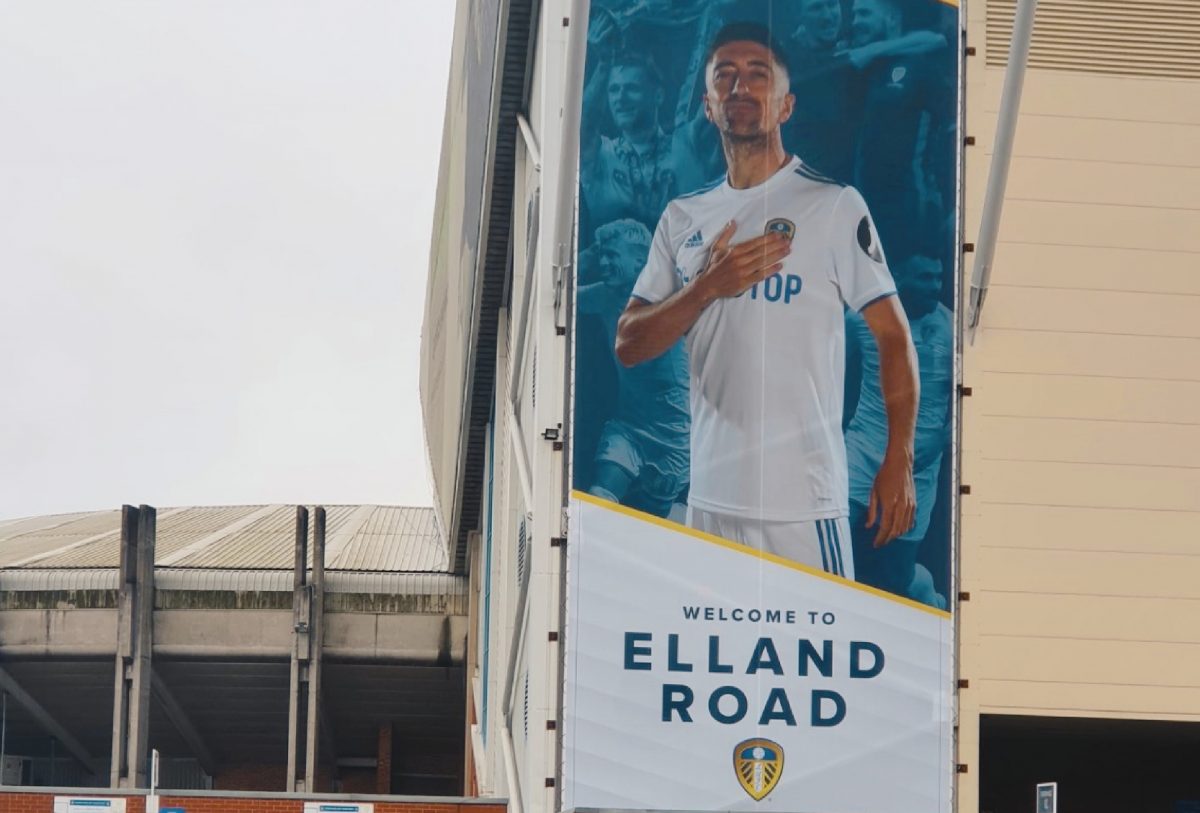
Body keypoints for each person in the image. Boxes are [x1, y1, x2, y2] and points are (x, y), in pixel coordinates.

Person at [614, 22, 919, 579]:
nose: (740, 88)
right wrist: (707, 286)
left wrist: (899, 457)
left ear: (786, 104)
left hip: (804, 507)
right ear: (707, 105)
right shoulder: (683, 217)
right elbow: (629, 343)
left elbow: (894, 335)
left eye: (758, 75)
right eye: (724, 77)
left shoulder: (833, 205)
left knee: (817, 664)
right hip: (709, 502)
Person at [845, 252, 951, 606]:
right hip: (861, 454)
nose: (934, 286)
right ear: (898, 276)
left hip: (917, 469)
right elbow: (841, 380)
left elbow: (973, 398)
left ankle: (925, 592)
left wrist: (940, 439)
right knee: (836, 550)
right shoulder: (859, 321)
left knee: (895, 576)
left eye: (938, 278)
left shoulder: (952, 330)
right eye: (924, 277)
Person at [578, 219, 691, 519]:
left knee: (657, 521)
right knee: (600, 497)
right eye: (601, 255)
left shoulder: (672, 293)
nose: (604, 262)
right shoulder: (606, 296)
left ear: (641, 260)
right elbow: (560, 295)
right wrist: (587, 256)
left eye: (612, 255)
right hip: (629, 426)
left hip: (675, 434)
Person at [849, 0, 951, 260]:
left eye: (864, 14)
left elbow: (951, 132)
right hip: (862, 205)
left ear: (892, 19)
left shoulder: (920, 66)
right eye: (853, 16)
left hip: (908, 207)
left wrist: (950, 206)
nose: (855, 22)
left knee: (907, 284)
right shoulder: (859, 66)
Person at [580, 52, 709, 233]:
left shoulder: (686, 148)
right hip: (610, 260)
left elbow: (720, 103)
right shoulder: (601, 157)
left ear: (658, 96)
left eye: (632, 88)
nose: (621, 98)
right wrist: (603, 63)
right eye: (614, 90)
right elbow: (584, 120)